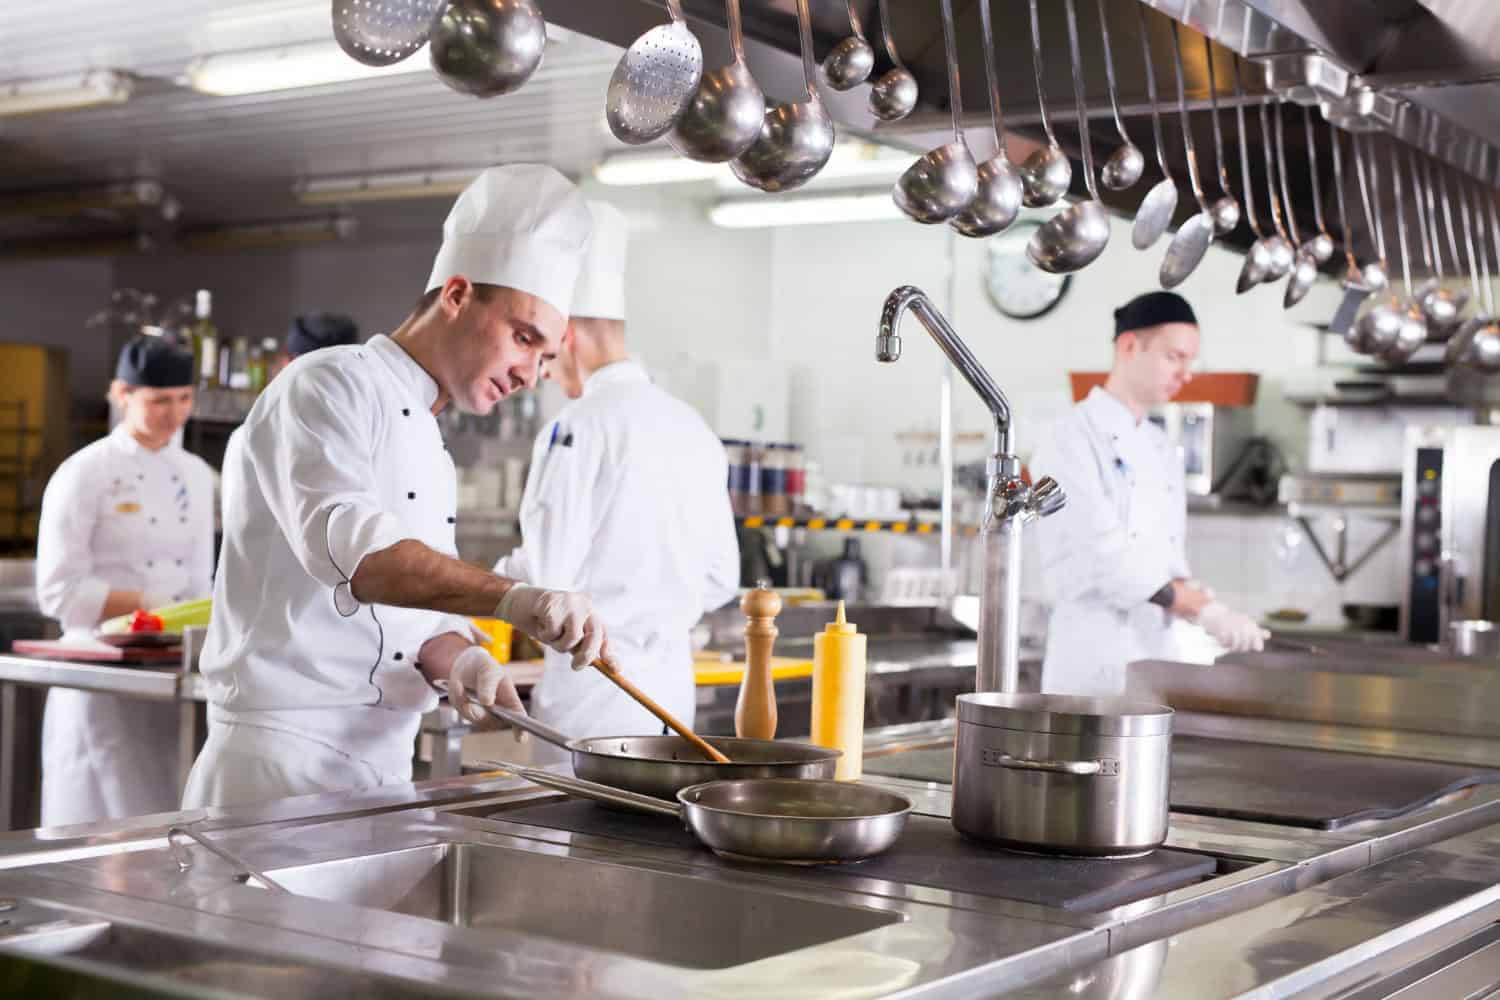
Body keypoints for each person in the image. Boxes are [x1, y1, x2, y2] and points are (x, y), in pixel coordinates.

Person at [182, 164, 618, 809]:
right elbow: (363, 559)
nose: (529, 372)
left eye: (545, 357)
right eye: (523, 338)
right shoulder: (327, 385)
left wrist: (455, 655)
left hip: (380, 769)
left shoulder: (430, 442)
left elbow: (401, 623)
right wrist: (514, 598)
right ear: (457, 294)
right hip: (281, 770)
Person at [495, 201, 739, 758]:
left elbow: (548, 577)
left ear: (571, 338)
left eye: (548, 353)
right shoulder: (692, 425)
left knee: (577, 837)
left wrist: (468, 587)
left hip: (594, 692)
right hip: (673, 694)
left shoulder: (575, 426)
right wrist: (655, 610)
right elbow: (722, 576)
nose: (543, 371)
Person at [1029, 291, 1266, 698]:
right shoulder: (1068, 438)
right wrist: (1199, 608)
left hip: (1155, 660)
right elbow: (1103, 557)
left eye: (1190, 360)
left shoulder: (1160, 447)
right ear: (1128, 346)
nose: (1186, 374)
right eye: (1174, 357)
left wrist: (1204, 602)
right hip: (1091, 666)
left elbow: (1166, 557)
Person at [35, 337, 215, 826]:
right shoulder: (83, 473)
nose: (173, 413)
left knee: (161, 829)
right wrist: (149, 603)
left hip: (165, 680)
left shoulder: (198, 475)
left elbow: (202, 582)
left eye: (183, 398)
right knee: (93, 832)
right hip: (99, 676)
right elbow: (57, 590)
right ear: (121, 394)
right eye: (159, 400)